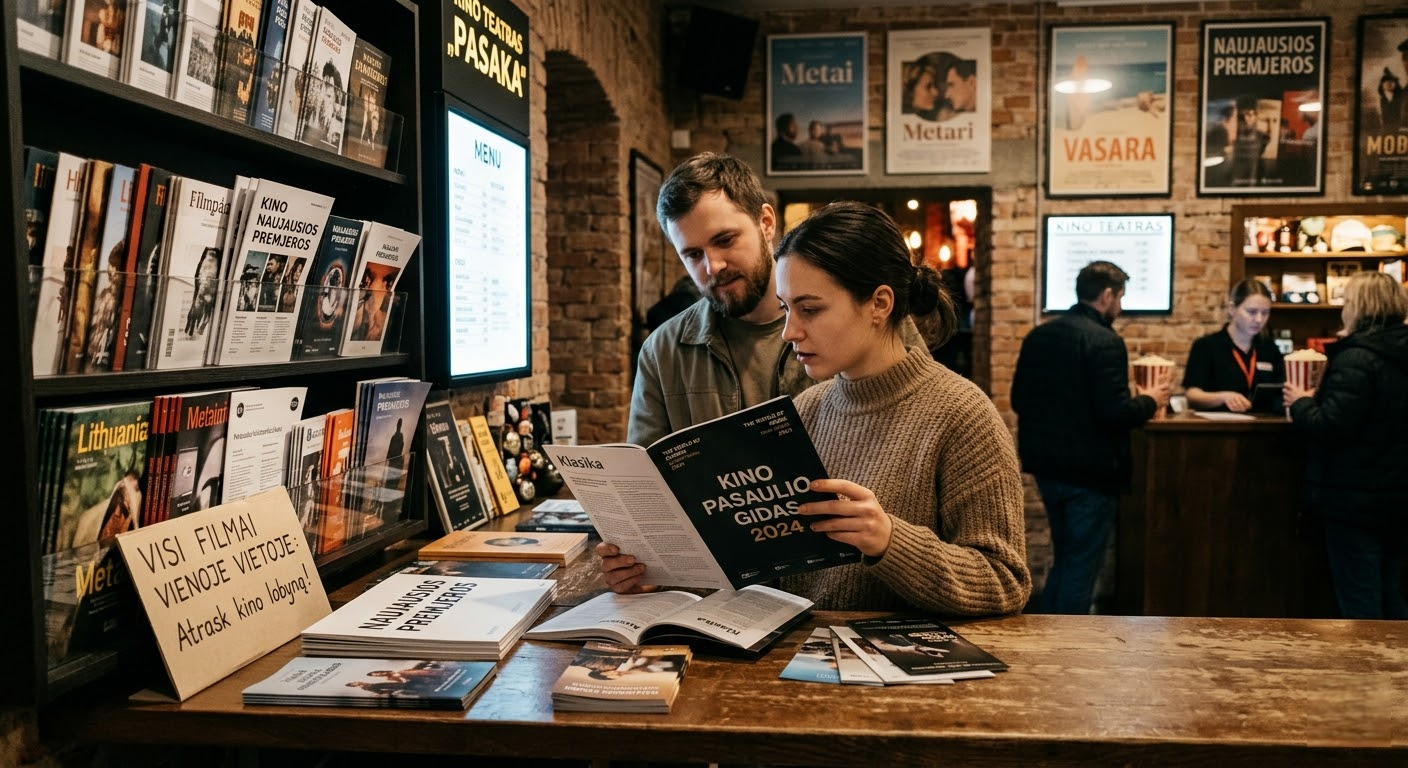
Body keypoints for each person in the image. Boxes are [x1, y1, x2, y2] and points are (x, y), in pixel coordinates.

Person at [603, 201, 1031, 616]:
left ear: (879, 304)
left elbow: (1005, 581)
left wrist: (888, 540)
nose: (789, 331)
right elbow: (769, 570)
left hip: (901, 680)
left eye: (810, 309)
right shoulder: (804, 411)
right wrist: (659, 575)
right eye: (788, 308)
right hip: (791, 668)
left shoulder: (963, 415)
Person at [627, 152, 925, 449]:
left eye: (725, 240)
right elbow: (644, 484)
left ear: (766, 223)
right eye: (693, 255)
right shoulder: (663, 352)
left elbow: (924, 429)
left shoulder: (867, 318)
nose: (713, 266)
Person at [1011, 260, 1170, 615]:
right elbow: (1114, 413)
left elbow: (1019, 399)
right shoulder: (1106, 341)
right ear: (1107, 295)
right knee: (1080, 567)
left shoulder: (1040, 334)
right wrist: (1151, 400)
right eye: (1121, 298)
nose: (1121, 307)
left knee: (1065, 557)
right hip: (1091, 473)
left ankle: (1047, 634)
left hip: (1048, 468)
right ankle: (1066, 647)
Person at [1283, 272, 1408, 620]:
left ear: (1360, 308)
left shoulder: (1356, 358)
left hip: (1355, 500)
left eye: (1347, 302)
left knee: (1360, 601)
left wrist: (1302, 401)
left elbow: (1330, 426)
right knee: (1392, 591)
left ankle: (1368, 674)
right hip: (1399, 497)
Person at [1182, 279, 1286, 413]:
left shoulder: (1269, 348)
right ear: (1232, 309)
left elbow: (1281, 389)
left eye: (1265, 313)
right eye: (1252, 312)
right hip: (1218, 427)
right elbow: (1192, 394)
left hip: (1262, 426)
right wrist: (1223, 397)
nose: (1259, 319)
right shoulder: (1206, 346)